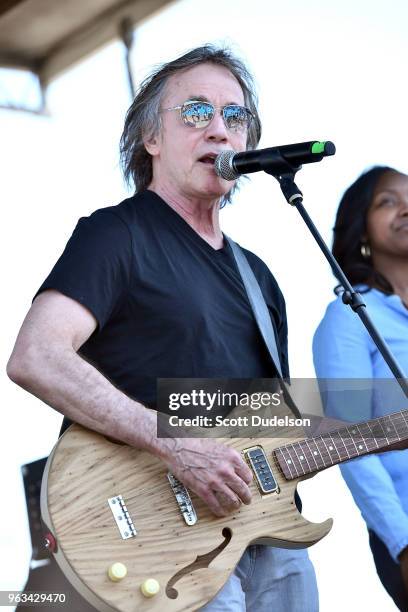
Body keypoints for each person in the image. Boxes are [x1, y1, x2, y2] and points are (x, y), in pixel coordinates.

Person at [7, 45, 318, 611]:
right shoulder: (117, 235)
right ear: (151, 139)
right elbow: (36, 356)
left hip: (269, 535)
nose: (220, 130)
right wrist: (173, 442)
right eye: (197, 112)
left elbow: (272, 424)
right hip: (158, 540)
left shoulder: (260, 278)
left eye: (235, 116)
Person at [313, 166, 408, 611]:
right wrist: (401, 541)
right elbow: (347, 440)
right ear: (361, 227)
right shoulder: (349, 319)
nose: (406, 208)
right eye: (387, 201)